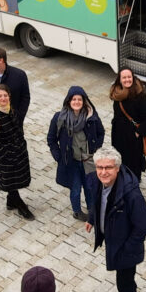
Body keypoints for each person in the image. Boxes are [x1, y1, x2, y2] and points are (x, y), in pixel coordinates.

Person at [84, 148, 146, 292]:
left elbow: (145, 225)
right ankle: (131, 291)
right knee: (127, 278)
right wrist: (92, 218)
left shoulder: (131, 194)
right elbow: (97, 201)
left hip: (126, 248)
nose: (103, 172)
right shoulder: (99, 181)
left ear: (117, 168)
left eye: (108, 167)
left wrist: (127, 249)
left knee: (123, 280)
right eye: (99, 167)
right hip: (115, 240)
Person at [48, 86, 105, 221]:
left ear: (84, 101)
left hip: (88, 160)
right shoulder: (59, 118)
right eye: (74, 99)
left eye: (79, 99)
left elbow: (101, 133)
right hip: (71, 161)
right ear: (69, 101)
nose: (77, 102)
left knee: (90, 187)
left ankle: (92, 209)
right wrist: (58, 156)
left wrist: (96, 148)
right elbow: (51, 139)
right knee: (75, 189)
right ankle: (77, 211)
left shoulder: (91, 116)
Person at [0, 83, 33, 219]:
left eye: (5, 95)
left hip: (19, 152)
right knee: (11, 181)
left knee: (15, 180)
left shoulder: (11, 110)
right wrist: (7, 155)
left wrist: (21, 146)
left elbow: (18, 129)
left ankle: (11, 201)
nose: (3, 98)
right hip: (6, 157)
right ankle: (20, 204)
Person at [109, 67, 146, 181]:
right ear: (119, 80)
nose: (127, 80)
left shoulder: (139, 95)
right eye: (124, 77)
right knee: (119, 162)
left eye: (129, 77)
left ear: (133, 78)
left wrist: (138, 133)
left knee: (133, 166)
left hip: (133, 139)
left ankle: (133, 185)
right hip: (118, 136)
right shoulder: (117, 93)